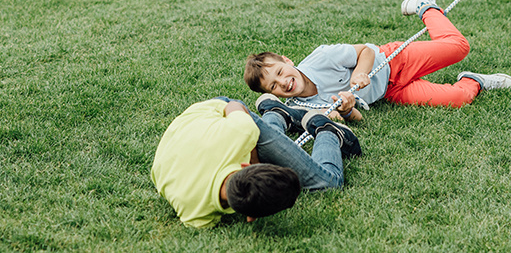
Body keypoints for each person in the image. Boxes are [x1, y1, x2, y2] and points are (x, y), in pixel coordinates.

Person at [245, 0, 511, 121]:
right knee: (458, 98)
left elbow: (364, 50)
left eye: (280, 72)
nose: (283, 82)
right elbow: (356, 119)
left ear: (287, 61)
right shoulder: (300, 107)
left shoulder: (321, 58)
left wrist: (362, 72)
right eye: (274, 86)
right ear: (275, 94)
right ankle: (476, 80)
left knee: (458, 47)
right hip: (389, 92)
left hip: (392, 60)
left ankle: (422, 5)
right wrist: (348, 109)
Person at [151, 96, 361, 228]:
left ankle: (275, 115)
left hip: (222, 112)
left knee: (257, 135)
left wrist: (255, 155)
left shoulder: (242, 131)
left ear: (246, 165)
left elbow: (234, 106)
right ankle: (328, 131)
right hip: (178, 138)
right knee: (327, 183)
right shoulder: (194, 216)